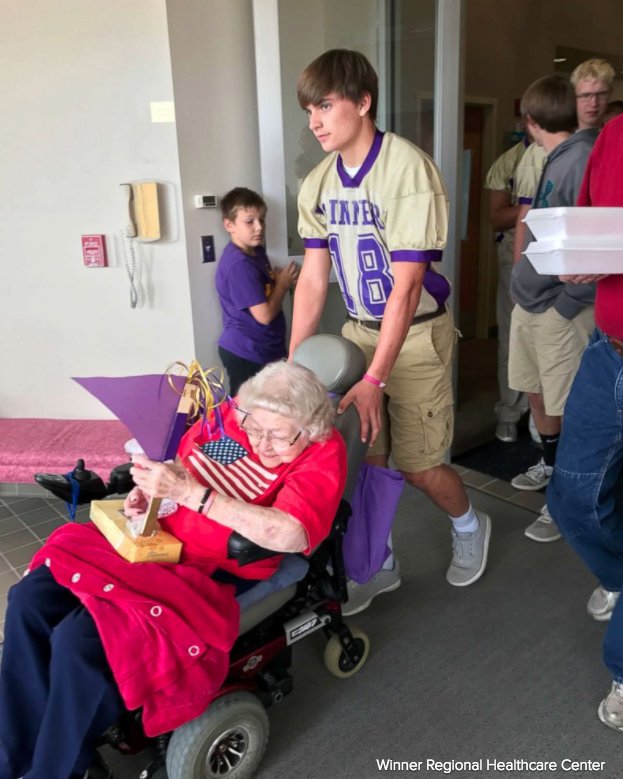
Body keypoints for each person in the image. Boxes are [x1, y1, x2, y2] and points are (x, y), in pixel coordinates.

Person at [0, 361, 347, 779]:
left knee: (80, 640)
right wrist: (153, 496)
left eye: (279, 436)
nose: (263, 445)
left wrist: (192, 496)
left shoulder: (321, 453)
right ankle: (13, 749)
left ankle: (58, 769)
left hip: (212, 569)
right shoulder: (240, 423)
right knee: (30, 599)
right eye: (256, 429)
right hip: (156, 544)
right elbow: (201, 466)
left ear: (310, 429)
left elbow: (291, 532)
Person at [289, 48, 492, 615]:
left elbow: (406, 288)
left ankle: (470, 524)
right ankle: (380, 563)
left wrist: (376, 375)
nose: (316, 121)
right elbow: (311, 281)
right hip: (357, 332)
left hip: (416, 335)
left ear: (363, 101)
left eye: (326, 105)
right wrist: (291, 367)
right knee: (366, 461)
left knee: (420, 467)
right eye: (310, 110)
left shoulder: (407, 170)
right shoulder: (319, 183)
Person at [547, 113, 623, 733]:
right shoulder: (618, 136)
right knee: (573, 497)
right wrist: (585, 259)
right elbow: (601, 226)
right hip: (612, 350)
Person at [507, 74, 597, 543]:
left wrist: (568, 306)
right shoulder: (553, 156)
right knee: (535, 392)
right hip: (532, 301)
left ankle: (565, 501)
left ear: (531, 119)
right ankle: (549, 467)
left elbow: (599, 242)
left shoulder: (580, 158)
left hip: (557, 309)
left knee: (568, 406)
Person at [512, 59, 614, 265]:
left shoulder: (610, 144)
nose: (593, 103)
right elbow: (527, 214)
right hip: (543, 270)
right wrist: (519, 273)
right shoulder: (542, 143)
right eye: (585, 95)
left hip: (574, 270)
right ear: (572, 97)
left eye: (601, 95)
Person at [216, 187, 299, 395]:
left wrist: (275, 280)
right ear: (229, 225)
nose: (259, 227)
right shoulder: (239, 265)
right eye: (249, 221)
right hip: (248, 353)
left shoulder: (256, 251)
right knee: (248, 415)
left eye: (262, 220)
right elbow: (264, 316)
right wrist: (282, 285)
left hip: (264, 349)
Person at [484, 136, 531, 443]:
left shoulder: (575, 151)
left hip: (561, 261)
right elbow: (497, 218)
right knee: (513, 337)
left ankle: (544, 420)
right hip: (515, 256)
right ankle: (510, 413)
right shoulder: (508, 162)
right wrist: (533, 206)